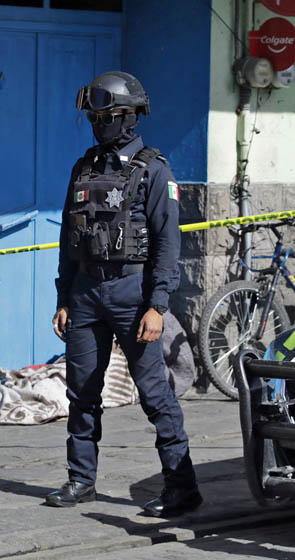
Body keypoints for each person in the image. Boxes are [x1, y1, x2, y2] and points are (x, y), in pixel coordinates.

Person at [45, 71, 202, 517]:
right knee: (82, 392)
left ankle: (182, 487)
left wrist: (157, 306)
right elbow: (67, 238)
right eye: (94, 117)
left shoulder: (154, 170)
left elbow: (168, 244)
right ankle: (81, 480)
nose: (97, 124)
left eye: (104, 116)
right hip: (85, 292)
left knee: (155, 394)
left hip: (133, 294)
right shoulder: (84, 167)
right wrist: (62, 297)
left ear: (126, 117)